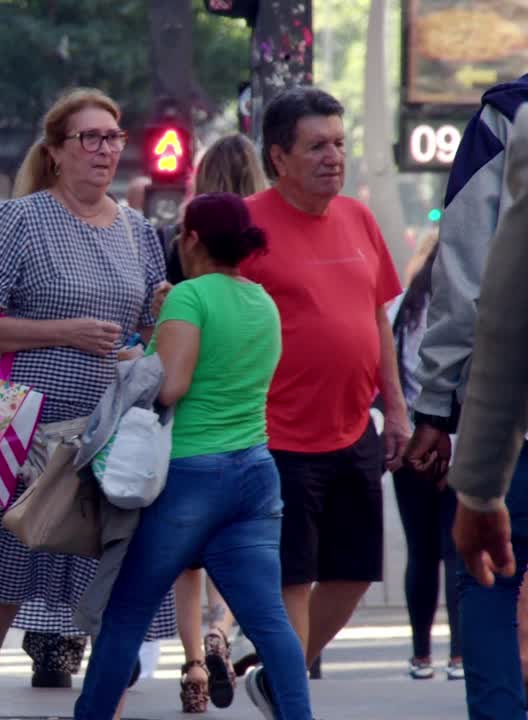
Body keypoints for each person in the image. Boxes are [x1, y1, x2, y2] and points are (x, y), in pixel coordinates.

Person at [0, 88, 170, 718]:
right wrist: (66, 330)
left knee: (110, 567)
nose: (105, 150)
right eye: (90, 138)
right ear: (55, 152)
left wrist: (150, 337)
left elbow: (143, 329)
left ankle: (105, 704)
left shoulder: (139, 232)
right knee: (3, 570)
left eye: (114, 137)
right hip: (23, 422)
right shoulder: (20, 219)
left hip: (102, 428)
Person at [75, 192, 311, 720]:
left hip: (189, 476)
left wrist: (146, 342)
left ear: (194, 239)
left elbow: (170, 386)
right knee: (271, 620)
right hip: (254, 471)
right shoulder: (263, 301)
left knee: (128, 612)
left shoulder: (190, 297)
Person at [239, 86, 407, 717]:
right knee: (293, 577)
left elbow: (376, 318)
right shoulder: (247, 225)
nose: (334, 156)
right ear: (279, 157)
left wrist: (394, 407)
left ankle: (272, 672)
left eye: (339, 143)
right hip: (276, 434)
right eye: (317, 146)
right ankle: (289, 696)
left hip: (352, 429)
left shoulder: (359, 218)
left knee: (356, 571)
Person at [407, 77, 528, 719]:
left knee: (488, 577)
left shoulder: (512, 118)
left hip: (518, 431)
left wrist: (436, 407)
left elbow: (481, 287)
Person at [166, 133, 270, 713]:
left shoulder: (184, 248)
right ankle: (222, 631)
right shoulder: (265, 252)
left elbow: (166, 353)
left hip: (189, 424)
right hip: (253, 417)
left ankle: (193, 664)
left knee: (186, 556)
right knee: (238, 543)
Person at [387, 236, 464, 681]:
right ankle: (458, 655)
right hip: (456, 442)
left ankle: (420, 655)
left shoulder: (402, 310)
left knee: (422, 552)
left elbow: (391, 375)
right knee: (456, 550)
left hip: (413, 445)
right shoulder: (465, 310)